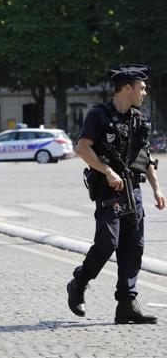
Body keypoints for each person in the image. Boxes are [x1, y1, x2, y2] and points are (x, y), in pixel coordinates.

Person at [67, 64, 165, 324]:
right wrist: (107, 171)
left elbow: (144, 156)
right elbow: (83, 148)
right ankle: (79, 282)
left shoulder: (139, 119)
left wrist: (156, 187)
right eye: (141, 88)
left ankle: (126, 305)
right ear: (127, 87)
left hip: (133, 189)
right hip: (108, 190)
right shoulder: (98, 115)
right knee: (107, 243)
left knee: (134, 248)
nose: (144, 92)